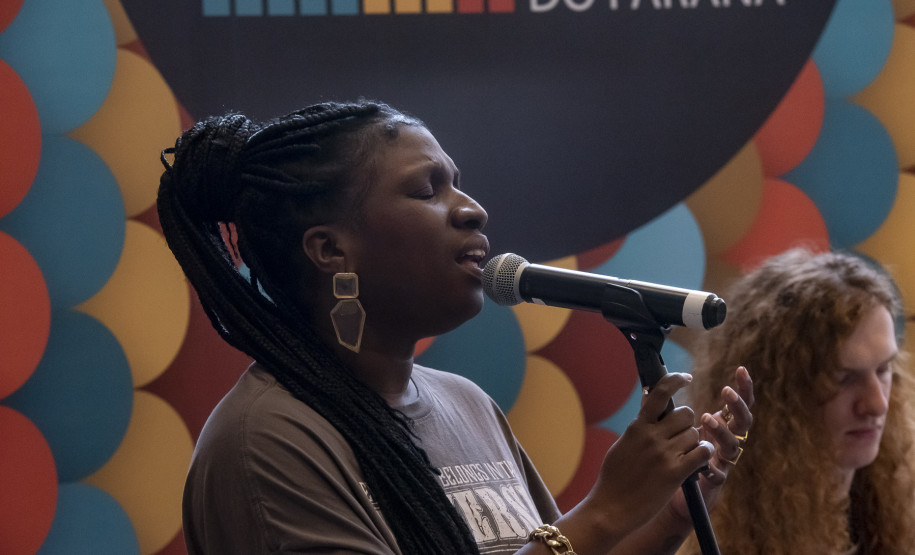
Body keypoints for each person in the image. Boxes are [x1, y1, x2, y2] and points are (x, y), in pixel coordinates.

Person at [157, 99, 753, 554]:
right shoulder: (269, 440)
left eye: (458, 183)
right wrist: (604, 511)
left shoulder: (466, 404)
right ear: (330, 251)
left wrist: (670, 510)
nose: (472, 209)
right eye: (426, 190)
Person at [679, 248, 915, 555]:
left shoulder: (899, 502)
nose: (877, 404)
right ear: (779, 396)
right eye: (843, 378)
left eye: (883, 369)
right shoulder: (721, 536)